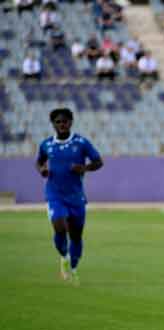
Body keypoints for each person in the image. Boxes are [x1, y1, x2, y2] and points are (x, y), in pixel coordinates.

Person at [35, 108, 103, 285]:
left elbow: (99, 161)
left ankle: (73, 267)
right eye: (58, 122)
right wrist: (42, 169)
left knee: (76, 237)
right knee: (59, 226)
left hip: (76, 197)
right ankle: (63, 256)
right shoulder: (46, 144)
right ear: (53, 124)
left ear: (71, 122)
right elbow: (39, 161)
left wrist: (85, 168)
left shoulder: (81, 143)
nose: (61, 124)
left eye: (65, 121)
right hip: (54, 194)